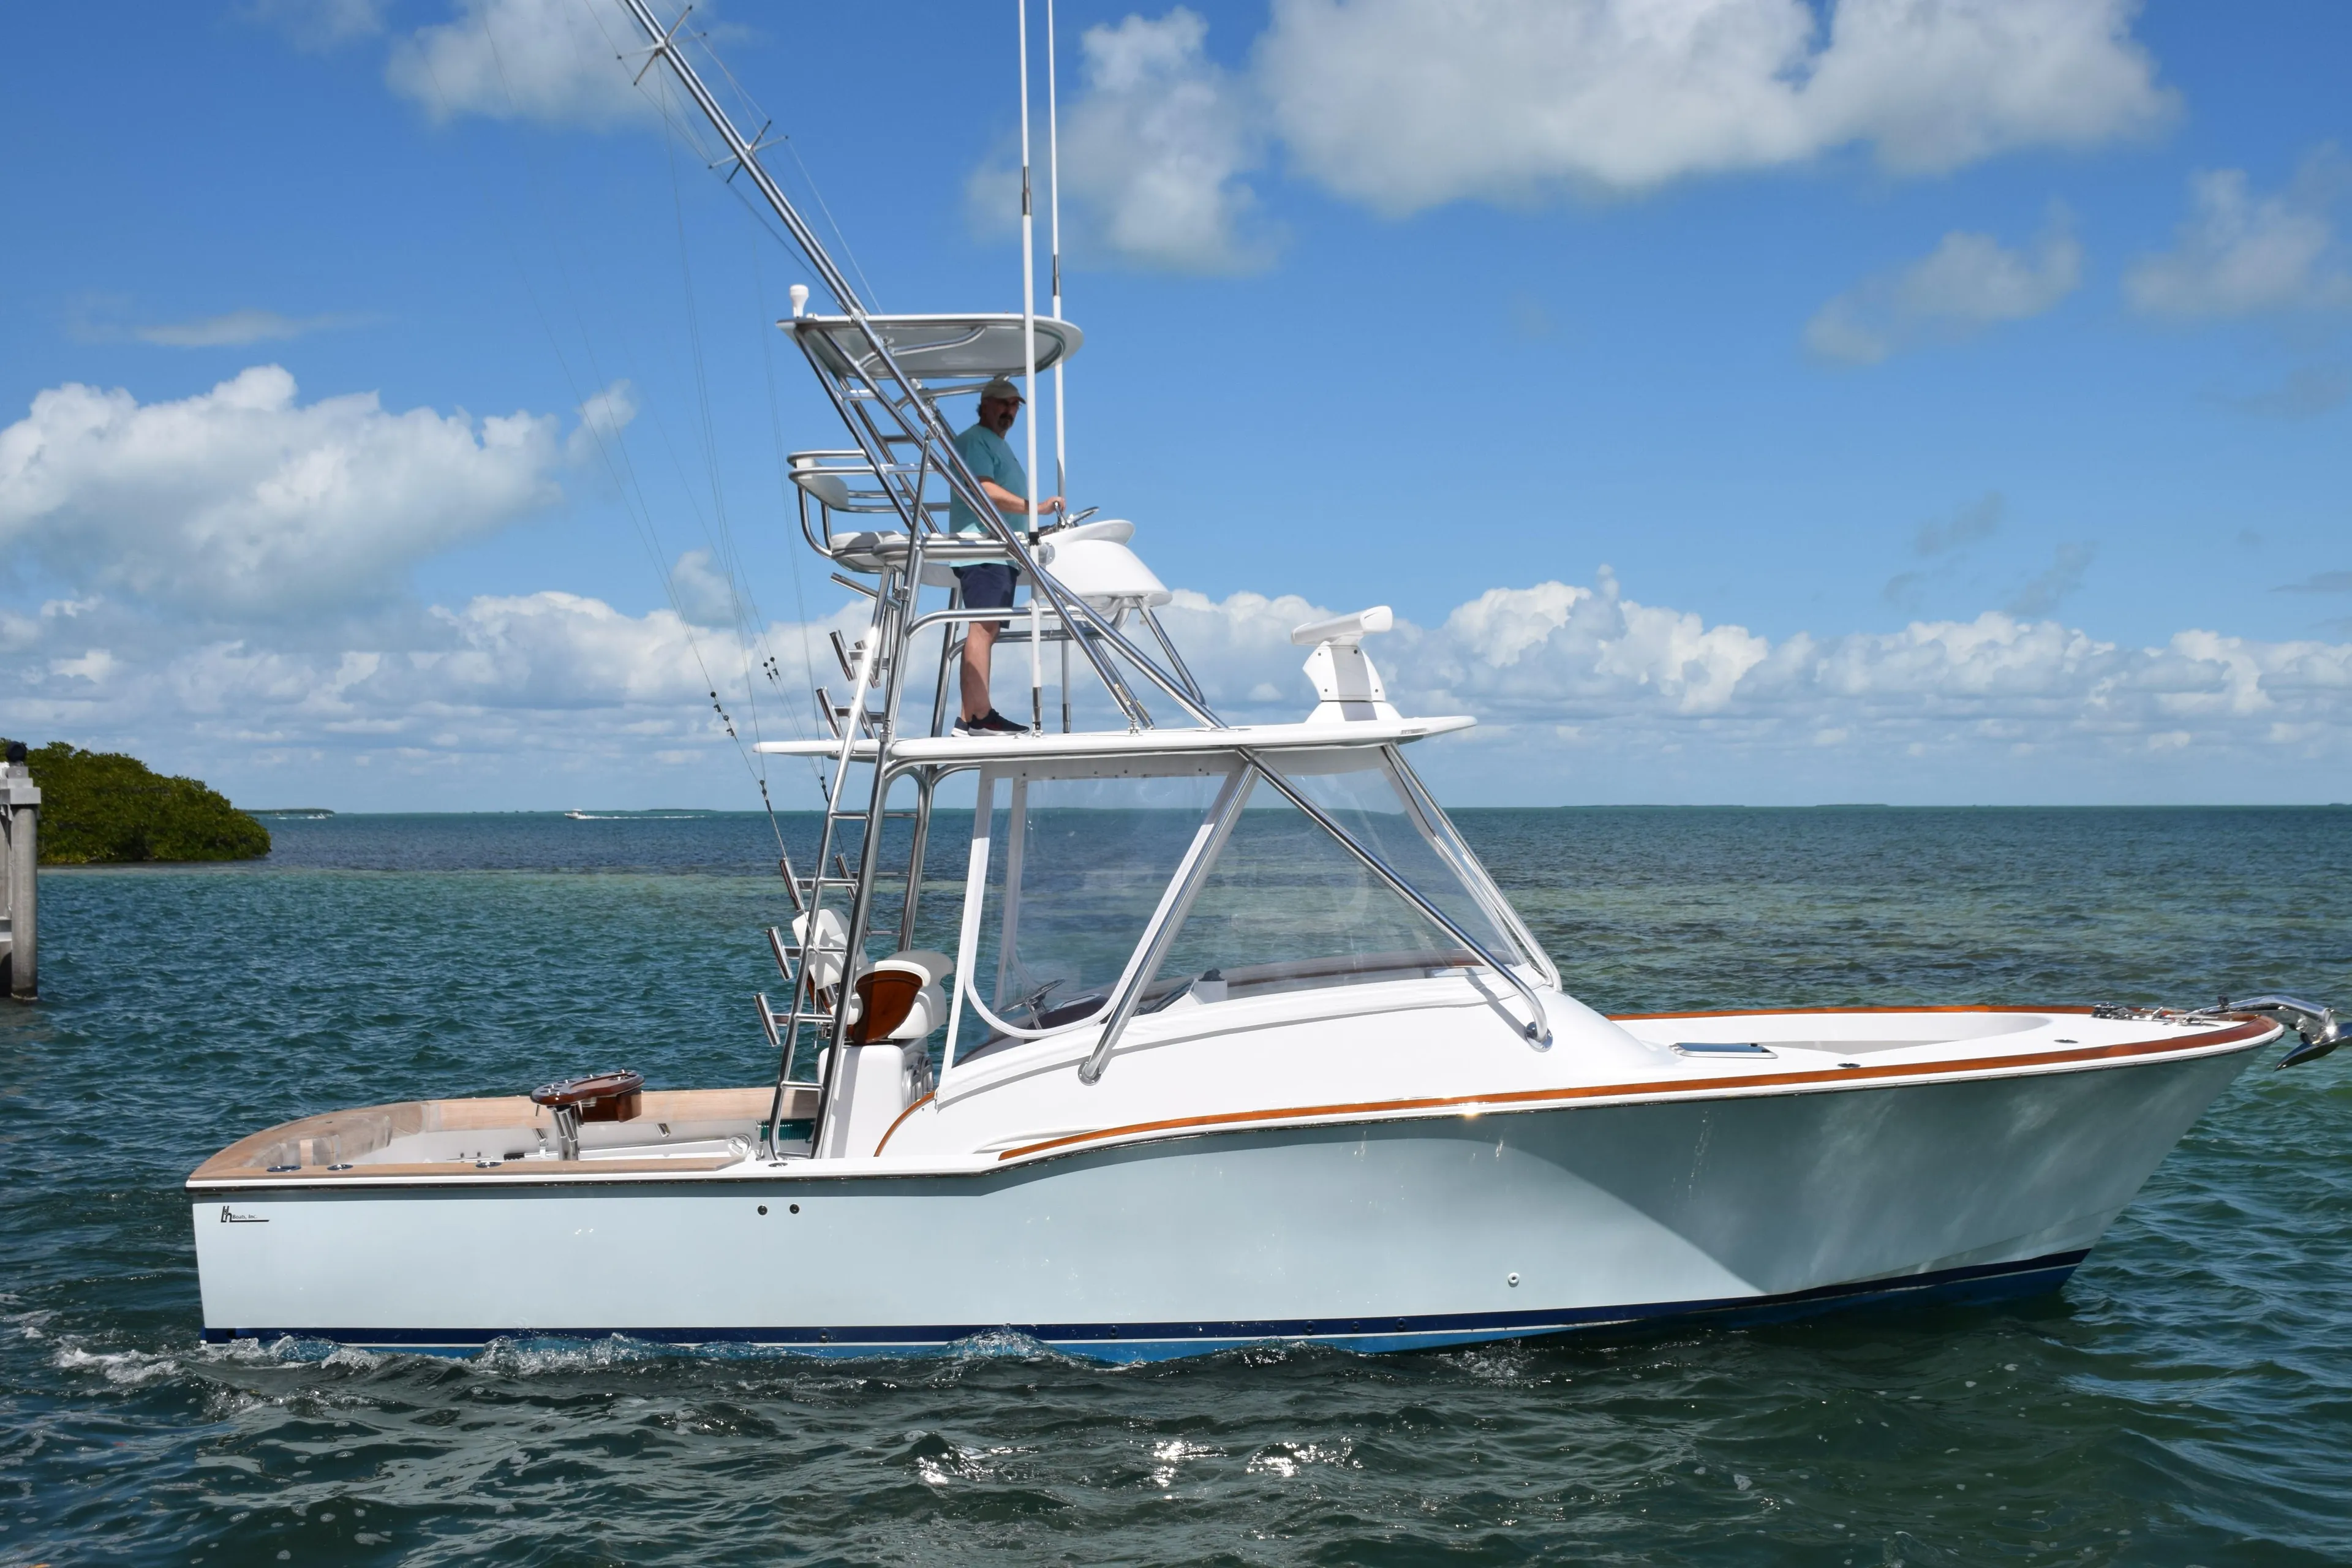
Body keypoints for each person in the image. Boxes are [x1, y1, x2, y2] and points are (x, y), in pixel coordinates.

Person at [946, 377, 1061, 735]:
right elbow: (984, 488)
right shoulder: (975, 440)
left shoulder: (993, 443)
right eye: (1002, 404)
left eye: (1015, 405)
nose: (1009, 411)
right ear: (984, 405)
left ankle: (972, 717)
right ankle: (978, 718)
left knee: (987, 629)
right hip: (983, 548)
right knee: (982, 628)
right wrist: (1036, 509)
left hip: (1000, 550)